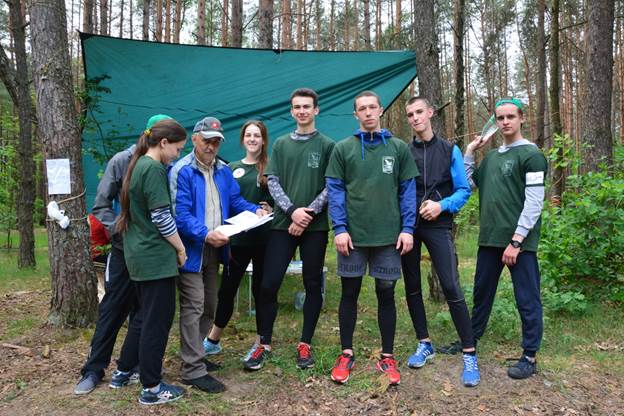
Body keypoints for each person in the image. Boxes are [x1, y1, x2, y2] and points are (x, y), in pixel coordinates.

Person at [74, 114, 172, 396]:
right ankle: (93, 369)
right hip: (122, 249)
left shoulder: (167, 162)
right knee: (113, 308)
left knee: (145, 310)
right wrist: (119, 230)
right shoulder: (122, 160)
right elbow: (101, 204)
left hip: (151, 252)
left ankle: (132, 366)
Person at [326, 90, 419, 385]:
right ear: (355, 114)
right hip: (352, 237)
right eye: (362, 109)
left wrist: (408, 228)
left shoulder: (398, 148)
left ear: (381, 110)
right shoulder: (343, 148)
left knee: (386, 293)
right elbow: (335, 191)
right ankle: (346, 353)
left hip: (388, 238)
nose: (367, 112)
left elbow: (407, 192)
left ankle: (387, 356)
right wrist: (339, 228)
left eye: (372, 107)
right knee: (349, 293)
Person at [170, 116, 266, 393]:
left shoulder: (223, 170)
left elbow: (234, 200)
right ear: (194, 139)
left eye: (216, 142)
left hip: (215, 250)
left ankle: (196, 354)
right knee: (194, 306)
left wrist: (255, 210)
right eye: (207, 141)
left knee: (210, 305)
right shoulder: (182, 171)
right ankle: (192, 369)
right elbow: (180, 214)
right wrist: (205, 234)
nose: (211, 146)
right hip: (190, 251)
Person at [244, 88, 334, 371]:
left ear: (316, 110)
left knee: (312, 284)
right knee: (268, 284)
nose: (302, 111)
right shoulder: (281, 144)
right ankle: (264, 343)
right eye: (297, 107)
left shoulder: (328, 145)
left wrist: (308, 214)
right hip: (283, 225)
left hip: (315, 227)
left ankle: (305, 343)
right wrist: (293, 211)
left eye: (307, 106)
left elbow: (331, 185)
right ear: (292, 111)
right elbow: (273, 182)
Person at [462, 97, 547, 379]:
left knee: (527, 298)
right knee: (481, 294)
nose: (506, 122)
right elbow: (469, 183)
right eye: (501, 118)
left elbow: (534, 202)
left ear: (522, 118)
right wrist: (470, 152)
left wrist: (516, 241)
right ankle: (470, 342)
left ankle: (529, 356)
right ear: (495, 122)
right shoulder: (492, 157)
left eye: (511, 116)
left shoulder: (532, 155)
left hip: (519, 244)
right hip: (489, 239)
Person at [401, 96, 480, 387]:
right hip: (409, 227)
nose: (415, 118)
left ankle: (469, 353)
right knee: (412, 286)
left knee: (450, 285)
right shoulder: (404, 152)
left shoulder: (449, 150)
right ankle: (424, 343)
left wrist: (441, 206)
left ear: (430, 113)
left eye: (419, 112)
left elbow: (464, 190)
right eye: (410, 114)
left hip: (438, 224)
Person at [114, 118, 188, 405]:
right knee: (157, 322)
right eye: (178, 149)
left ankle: (123, 371)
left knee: (143, 316)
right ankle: (152, 388)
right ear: (164, 143)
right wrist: (180, 248)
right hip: (155, 258)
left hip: (138, 254)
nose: (177, 155)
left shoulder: (138, 163)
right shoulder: (154, 168)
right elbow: (161, 217)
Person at [203, 120, 273, 358]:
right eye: (248, 135)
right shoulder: (229, 168)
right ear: (242, 139)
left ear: (263, 140)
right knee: (227, 290)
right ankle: (213, 339)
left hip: (263, 240)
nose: (252, 139)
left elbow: (280, 199)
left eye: (257, 135)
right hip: (237, 241)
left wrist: (269, 208)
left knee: (261, 290)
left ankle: (260, 342)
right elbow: (226, 200)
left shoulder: (270, 167)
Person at [88, 213, 110, 302]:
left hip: (89, 255)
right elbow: (111, 239)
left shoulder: (88, 218)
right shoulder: (102, 220)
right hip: (99, 255)